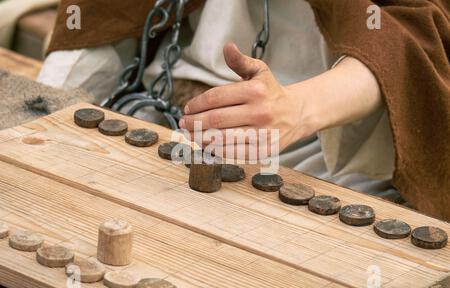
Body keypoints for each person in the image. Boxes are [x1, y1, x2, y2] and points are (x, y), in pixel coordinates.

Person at [38, 0, 450, 221]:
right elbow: (101, 18)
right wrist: (46, 111)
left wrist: (299, 108)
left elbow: (415, 29)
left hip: (323, 159)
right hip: (165, 120)